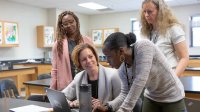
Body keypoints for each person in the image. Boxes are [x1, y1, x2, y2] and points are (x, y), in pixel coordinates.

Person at [94, 32, 186, 112]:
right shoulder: (123, 69)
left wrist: (123, 110)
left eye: (109, 56)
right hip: (152, 96)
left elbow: (140, 80)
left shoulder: (143, 47)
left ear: (121, 51)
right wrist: (108, 107)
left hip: (172, 94)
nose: (107, 61)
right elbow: (125, 93)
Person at [61, 43, 121, 110]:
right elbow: (61, 97)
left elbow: (121, 101)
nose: (88, 61)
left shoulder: (113, 74)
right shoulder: (79, 77)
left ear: (95, 56)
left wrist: (106, 106)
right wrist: (71, 103)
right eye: (84, 59)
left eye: (90, 56)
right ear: (79, 63)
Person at [140, 0, 189, 77]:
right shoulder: (148, 31)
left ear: (160, 12)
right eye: (144, 11)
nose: (146, 15)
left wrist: (174, 79)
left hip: (169, 76)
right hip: (153, 78)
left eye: (149, 11)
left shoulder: (173, 28)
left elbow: (184, 58)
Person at [50, 11, 93, 90]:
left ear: (76, 21)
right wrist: (52, 88)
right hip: (67, 85)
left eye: (71, 22)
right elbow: (55, 69)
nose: (69, 25)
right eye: (65, 24)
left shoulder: (88, 41)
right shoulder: (58, 44)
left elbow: (95, 63)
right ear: (62, 26)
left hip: (86, 82)